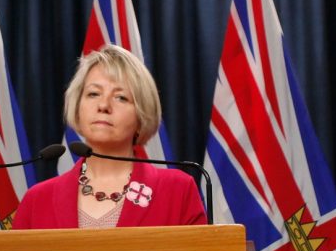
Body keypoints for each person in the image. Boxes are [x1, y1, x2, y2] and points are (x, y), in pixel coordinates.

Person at [13, 45, 207, 229]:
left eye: (120, 97)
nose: (103, 105)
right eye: (93, 94)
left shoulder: (177, 192)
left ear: (142, 116)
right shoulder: (37, 201)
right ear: (78, 109)